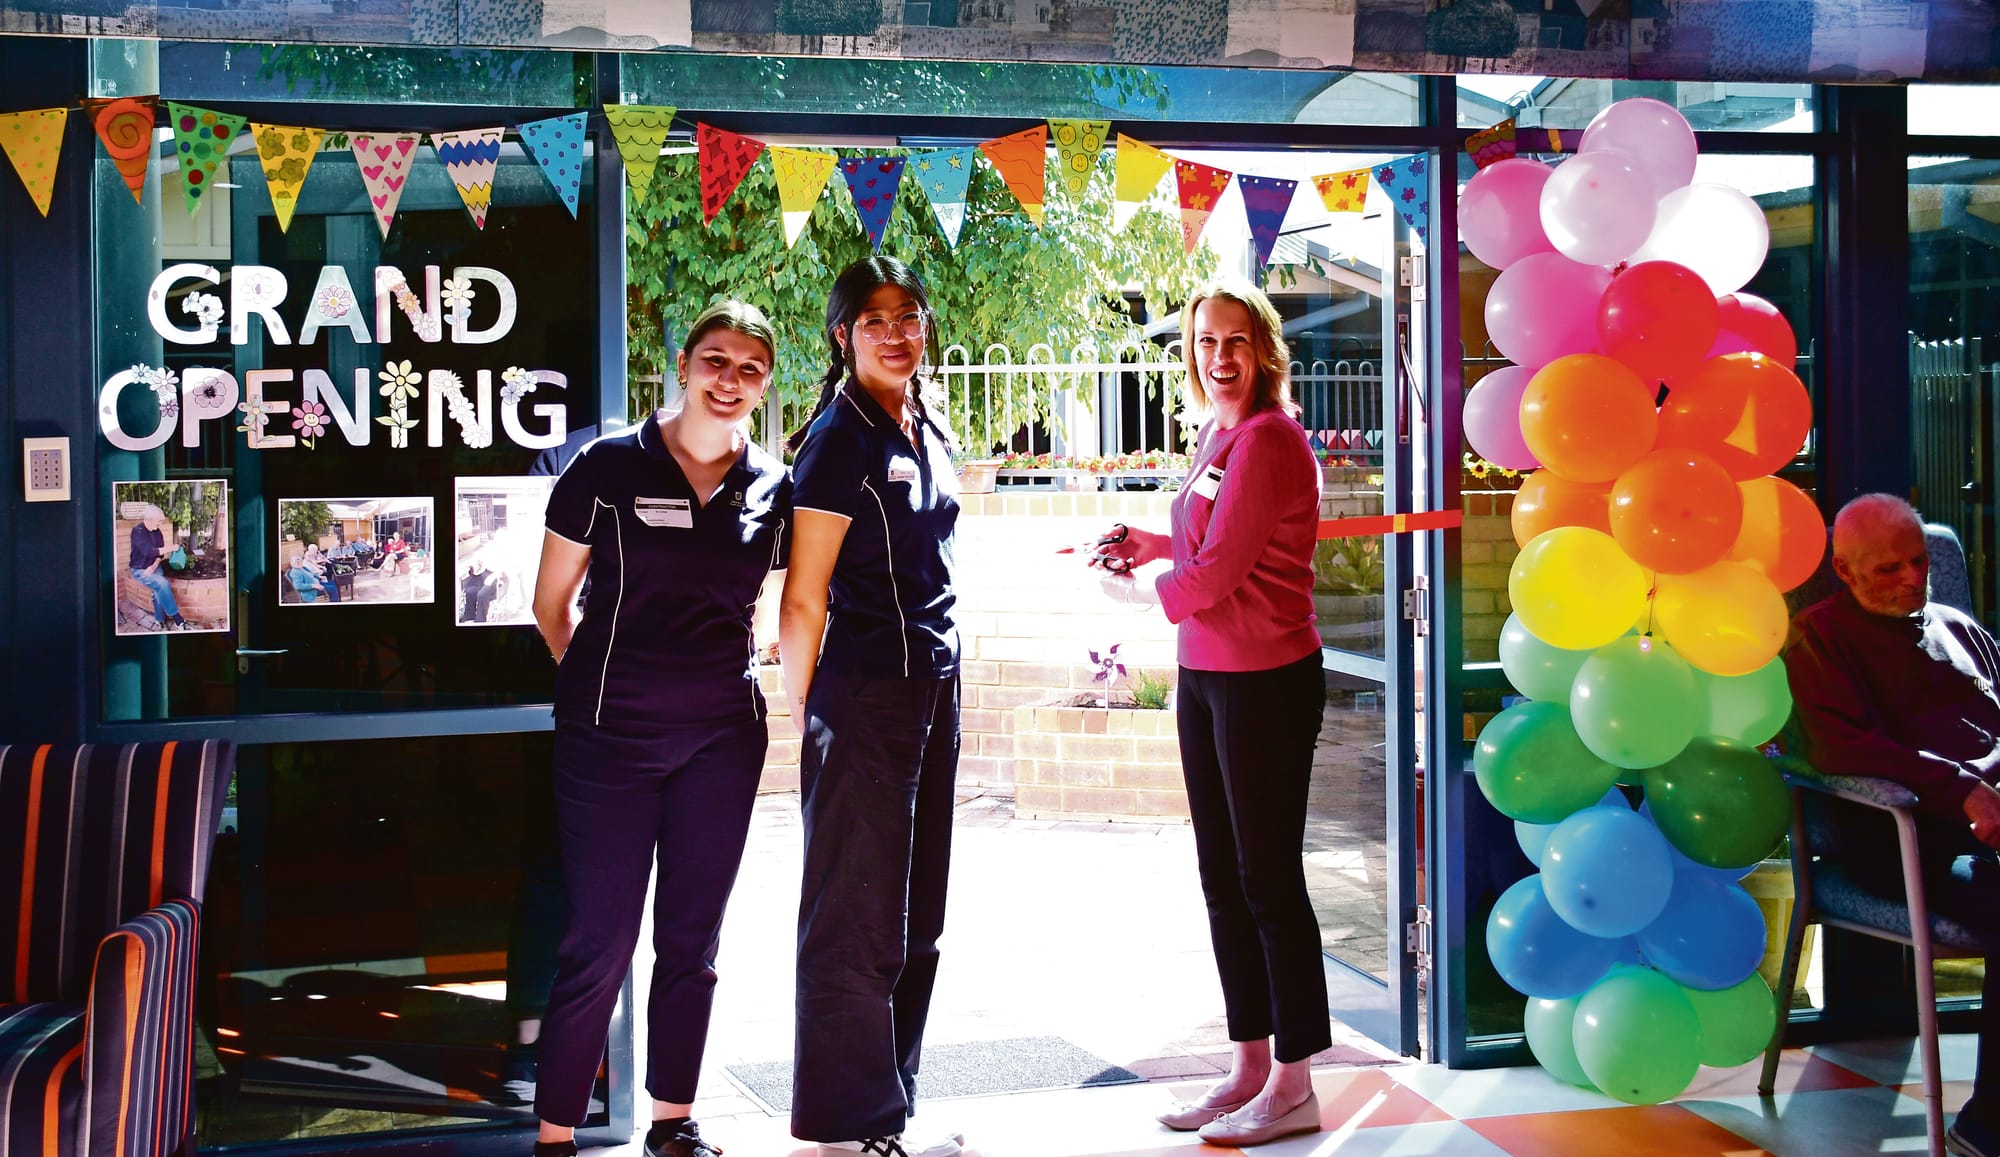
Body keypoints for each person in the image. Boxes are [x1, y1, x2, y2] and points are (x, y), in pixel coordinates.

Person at [529, 300, 791, 1157]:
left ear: (764, 385)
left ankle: (674, 1125)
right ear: (684, 365)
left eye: (750, 369)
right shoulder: (605, 467)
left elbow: (774, 611)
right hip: (608, 741)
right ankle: (556, 1137)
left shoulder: (773, 487)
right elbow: (550, 604)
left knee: (692, 942)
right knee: (599, 942)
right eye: (716, 360)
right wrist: (602, 689)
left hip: (722, 741)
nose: (730, 380)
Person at [1085, 279, 1329, 1148]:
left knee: (1269, 881)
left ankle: (1296, 1081)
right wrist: (1150, 545)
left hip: (1266, 679)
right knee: (1224, 878)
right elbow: (1208, 540)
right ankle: (1249, 1063)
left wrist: (1139, 595)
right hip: (1207, 674)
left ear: (1263, 349)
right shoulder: (1218, 435)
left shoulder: (1269, 438)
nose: (1219, 356)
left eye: (1235, 341)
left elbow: (1222, 571)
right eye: (1204, 342)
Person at [779, 256, 965, 1157]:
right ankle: (840, 1131)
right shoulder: (838, 440)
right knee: (854, 919)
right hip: (864, 697)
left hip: (933, 685)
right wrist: (807, 711)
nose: (896, 333)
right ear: (842, 334)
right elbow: (802, 595)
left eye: (909, 315)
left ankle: (888, 1112)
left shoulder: (923, 423)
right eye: (875, 319)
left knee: (917, 918)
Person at [1784, 492, 2000, 1157]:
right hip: (1905, 840)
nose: (1911, 578)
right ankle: (1988, 1123)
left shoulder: (1960, 630)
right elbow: (1839, 749)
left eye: (1918, 562)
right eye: (1889, 568)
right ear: (1845, 571)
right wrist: (1961, 788)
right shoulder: (1820, 639)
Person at [129, 504, 193, 630]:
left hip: (154, 566)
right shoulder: (137, 531)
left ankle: (159, 619)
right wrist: (172, 547)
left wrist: (154, 566)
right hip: (139, 569)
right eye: (159, 521)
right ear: (149, 519)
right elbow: (150, 552)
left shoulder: (157, 532)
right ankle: (178, 619)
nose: (160, 524)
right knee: (162, 583)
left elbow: (160, 555)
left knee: (159, 590)